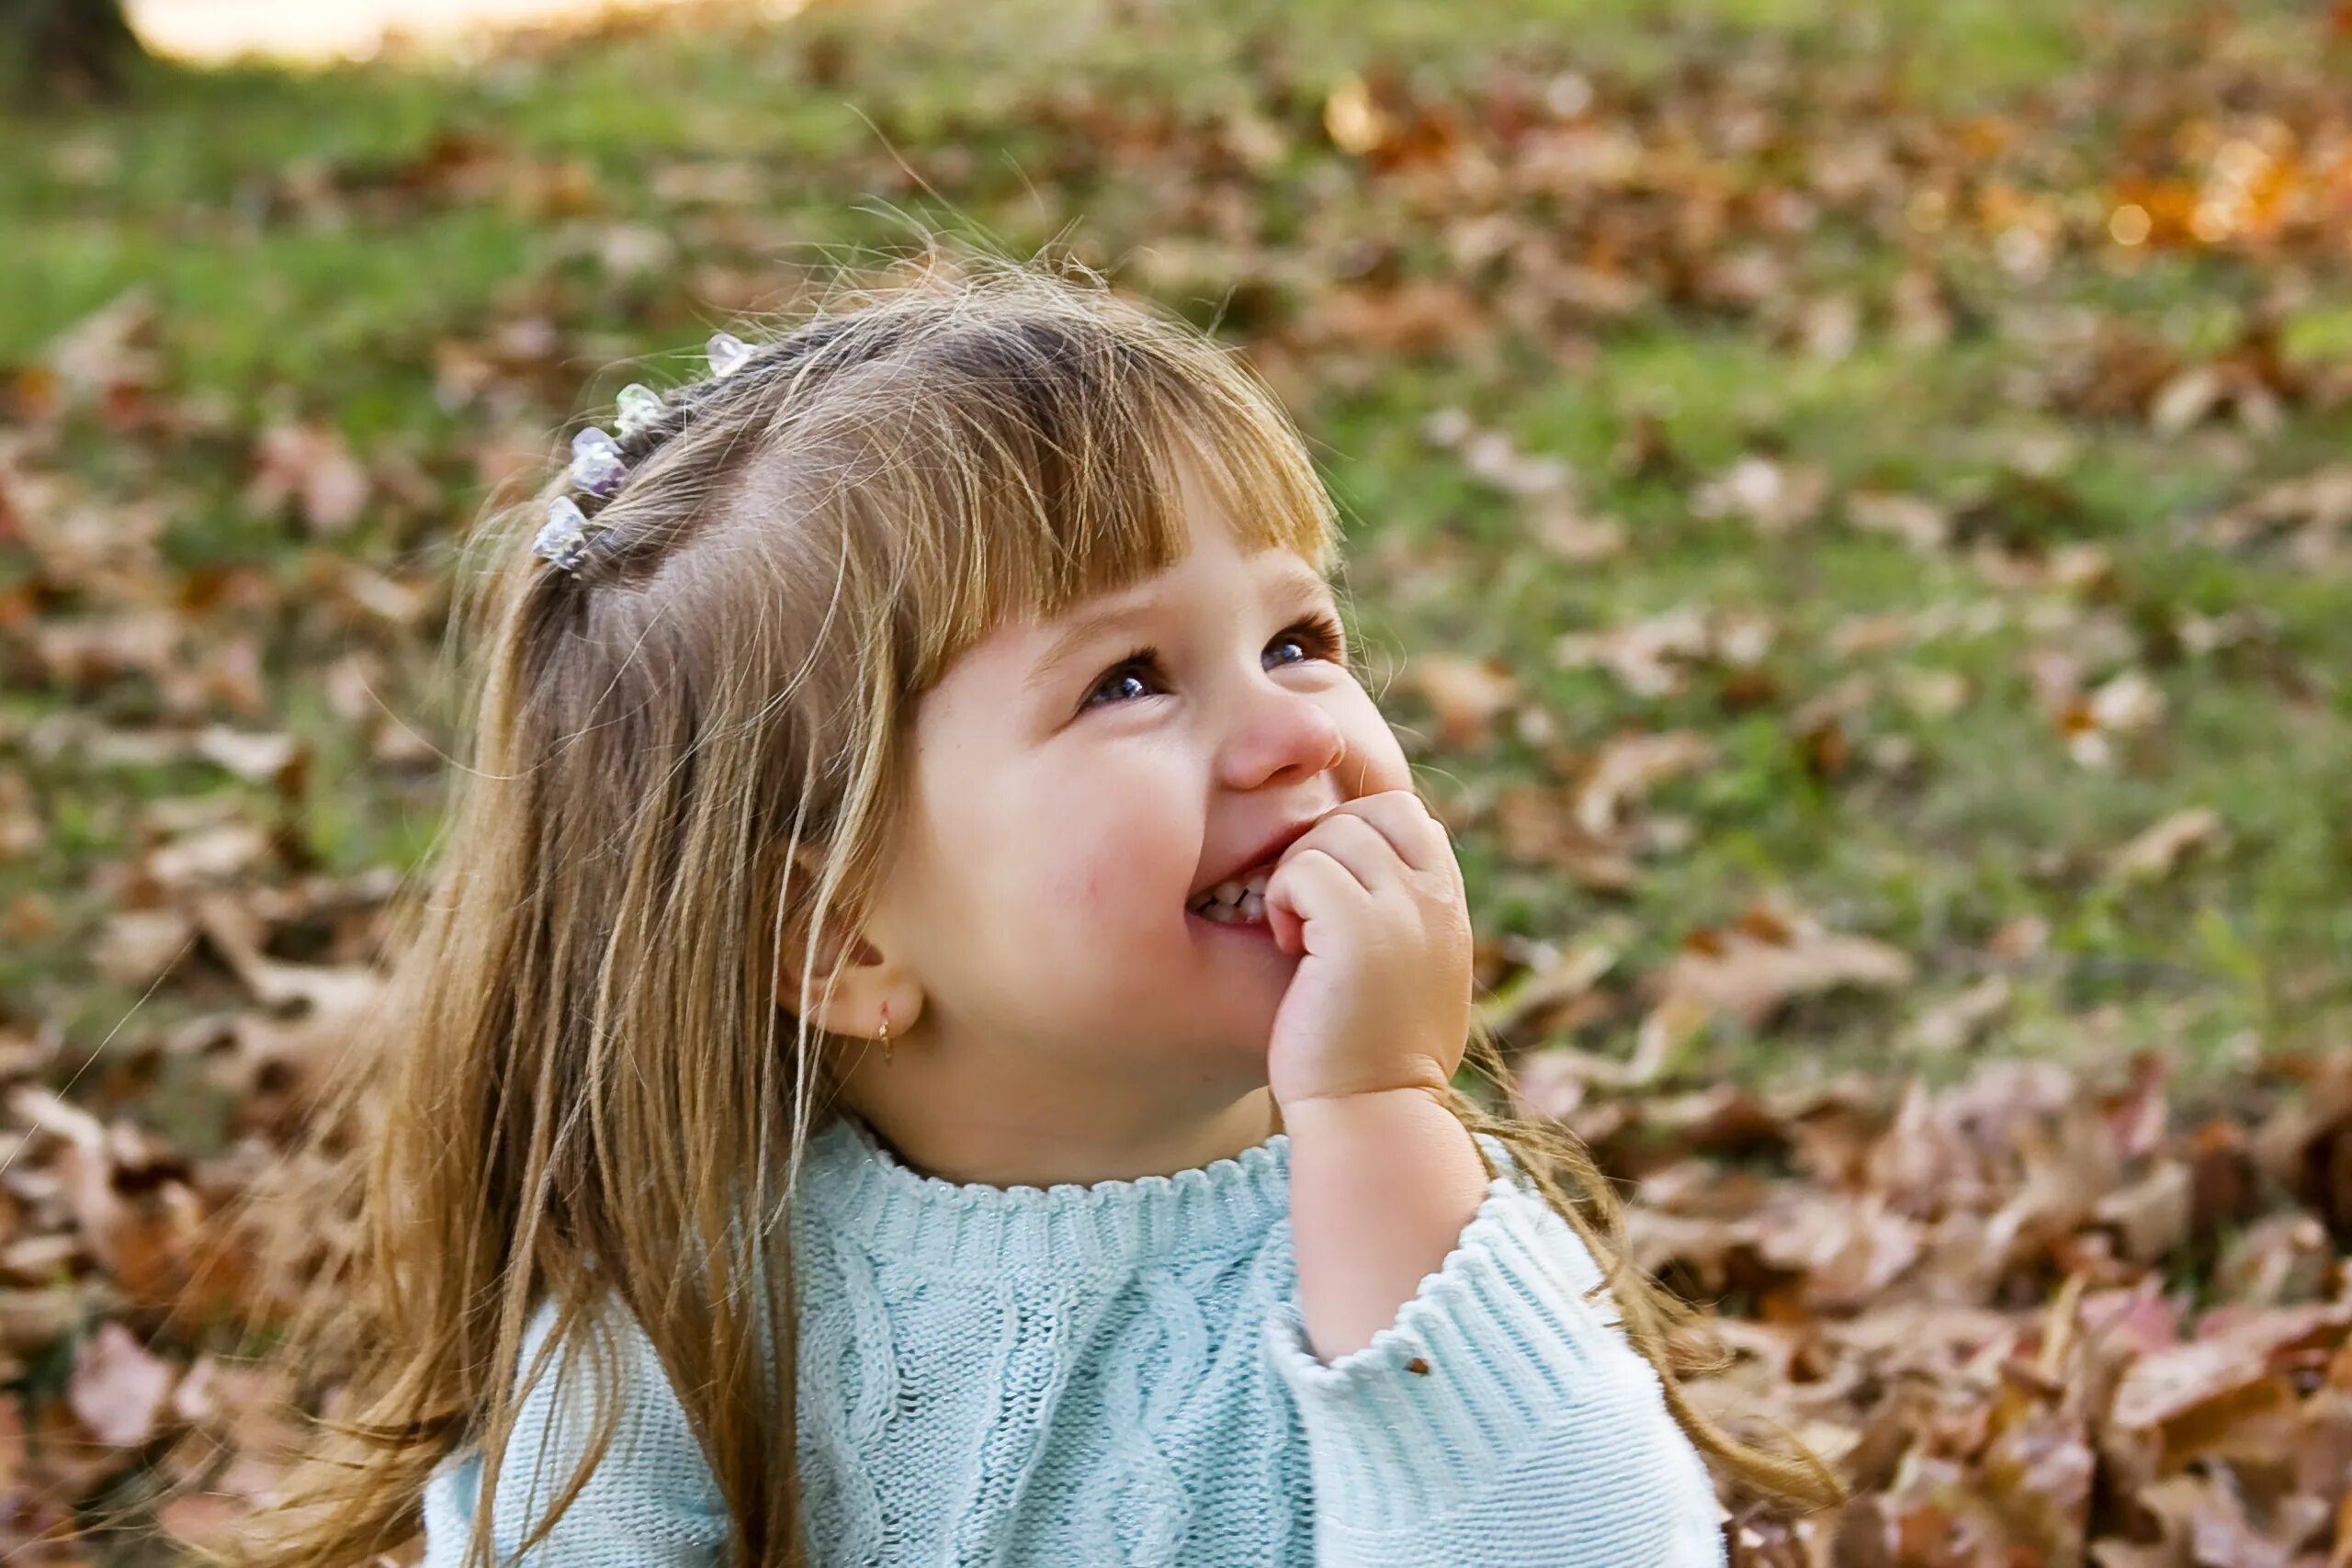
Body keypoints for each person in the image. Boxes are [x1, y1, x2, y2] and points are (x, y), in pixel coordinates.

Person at [221, 244, 1840, 1568]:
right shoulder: (699, 1307)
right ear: (839, 941)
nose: (1296, 732)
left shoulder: (1408, 1215)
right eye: (1130, 681)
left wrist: (1371, 1112)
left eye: (1298, 638)